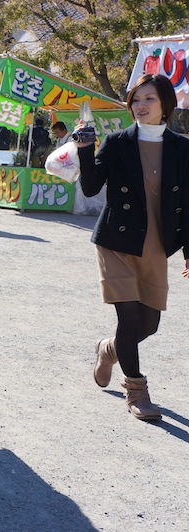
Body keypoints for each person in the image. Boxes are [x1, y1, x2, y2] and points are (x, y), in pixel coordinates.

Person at [76, 73, 189, 422]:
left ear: (166, 105)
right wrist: (84, 150)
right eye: (135, 99)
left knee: (149, 324)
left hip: (157, 247)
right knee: (128, 317)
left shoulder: (182, 148)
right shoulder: (117, 142)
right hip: (116, 241)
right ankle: (137, 391)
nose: (140, 106)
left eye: (148, 99)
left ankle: (108, 349)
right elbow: (93, 187)